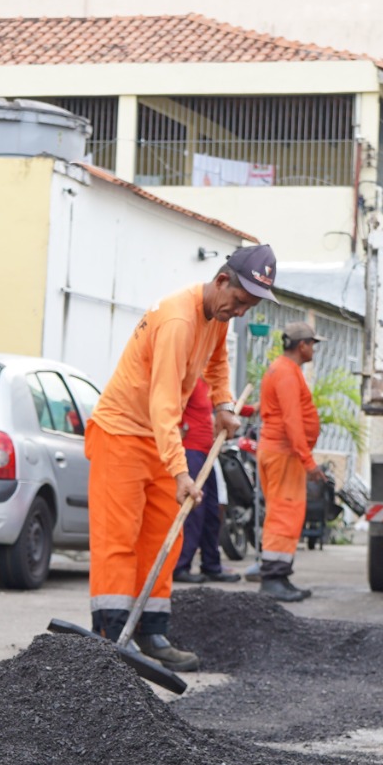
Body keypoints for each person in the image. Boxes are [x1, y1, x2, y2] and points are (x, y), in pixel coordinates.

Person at [86, 245, 271, 670]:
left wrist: (223, 404)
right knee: (119, 539)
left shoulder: (217, 315)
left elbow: (217, 362)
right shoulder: (177, 320)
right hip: (120, 434)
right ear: (221, 280)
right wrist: (180, 470)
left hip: (157, 437)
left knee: (162, 540)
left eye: (249, 307)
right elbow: (165, 402)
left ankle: (151, 632)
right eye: (239, 301)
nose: (240, 312)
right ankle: (111, 636)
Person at [256, 319, 324, 603]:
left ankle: (280, 575)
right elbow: (291, 420)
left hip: (280, 452)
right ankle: (273, 578)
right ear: (302, 345)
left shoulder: (282, 369)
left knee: (284, 512)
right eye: (312, 344)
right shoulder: (285, 372)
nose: (313, 350)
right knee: (284, 514)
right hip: (284, 453)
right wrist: (308, 461)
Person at [171, 375, 233, 585]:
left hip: (207, 453)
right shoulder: (189, 381)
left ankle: (211, 564)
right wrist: (179, 429)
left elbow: (225, 405)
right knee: (194, 510)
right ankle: (181, 565)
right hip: (191, 451)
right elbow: (171, 406)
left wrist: (249, 409)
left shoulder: (209, 385)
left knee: (212, 510)